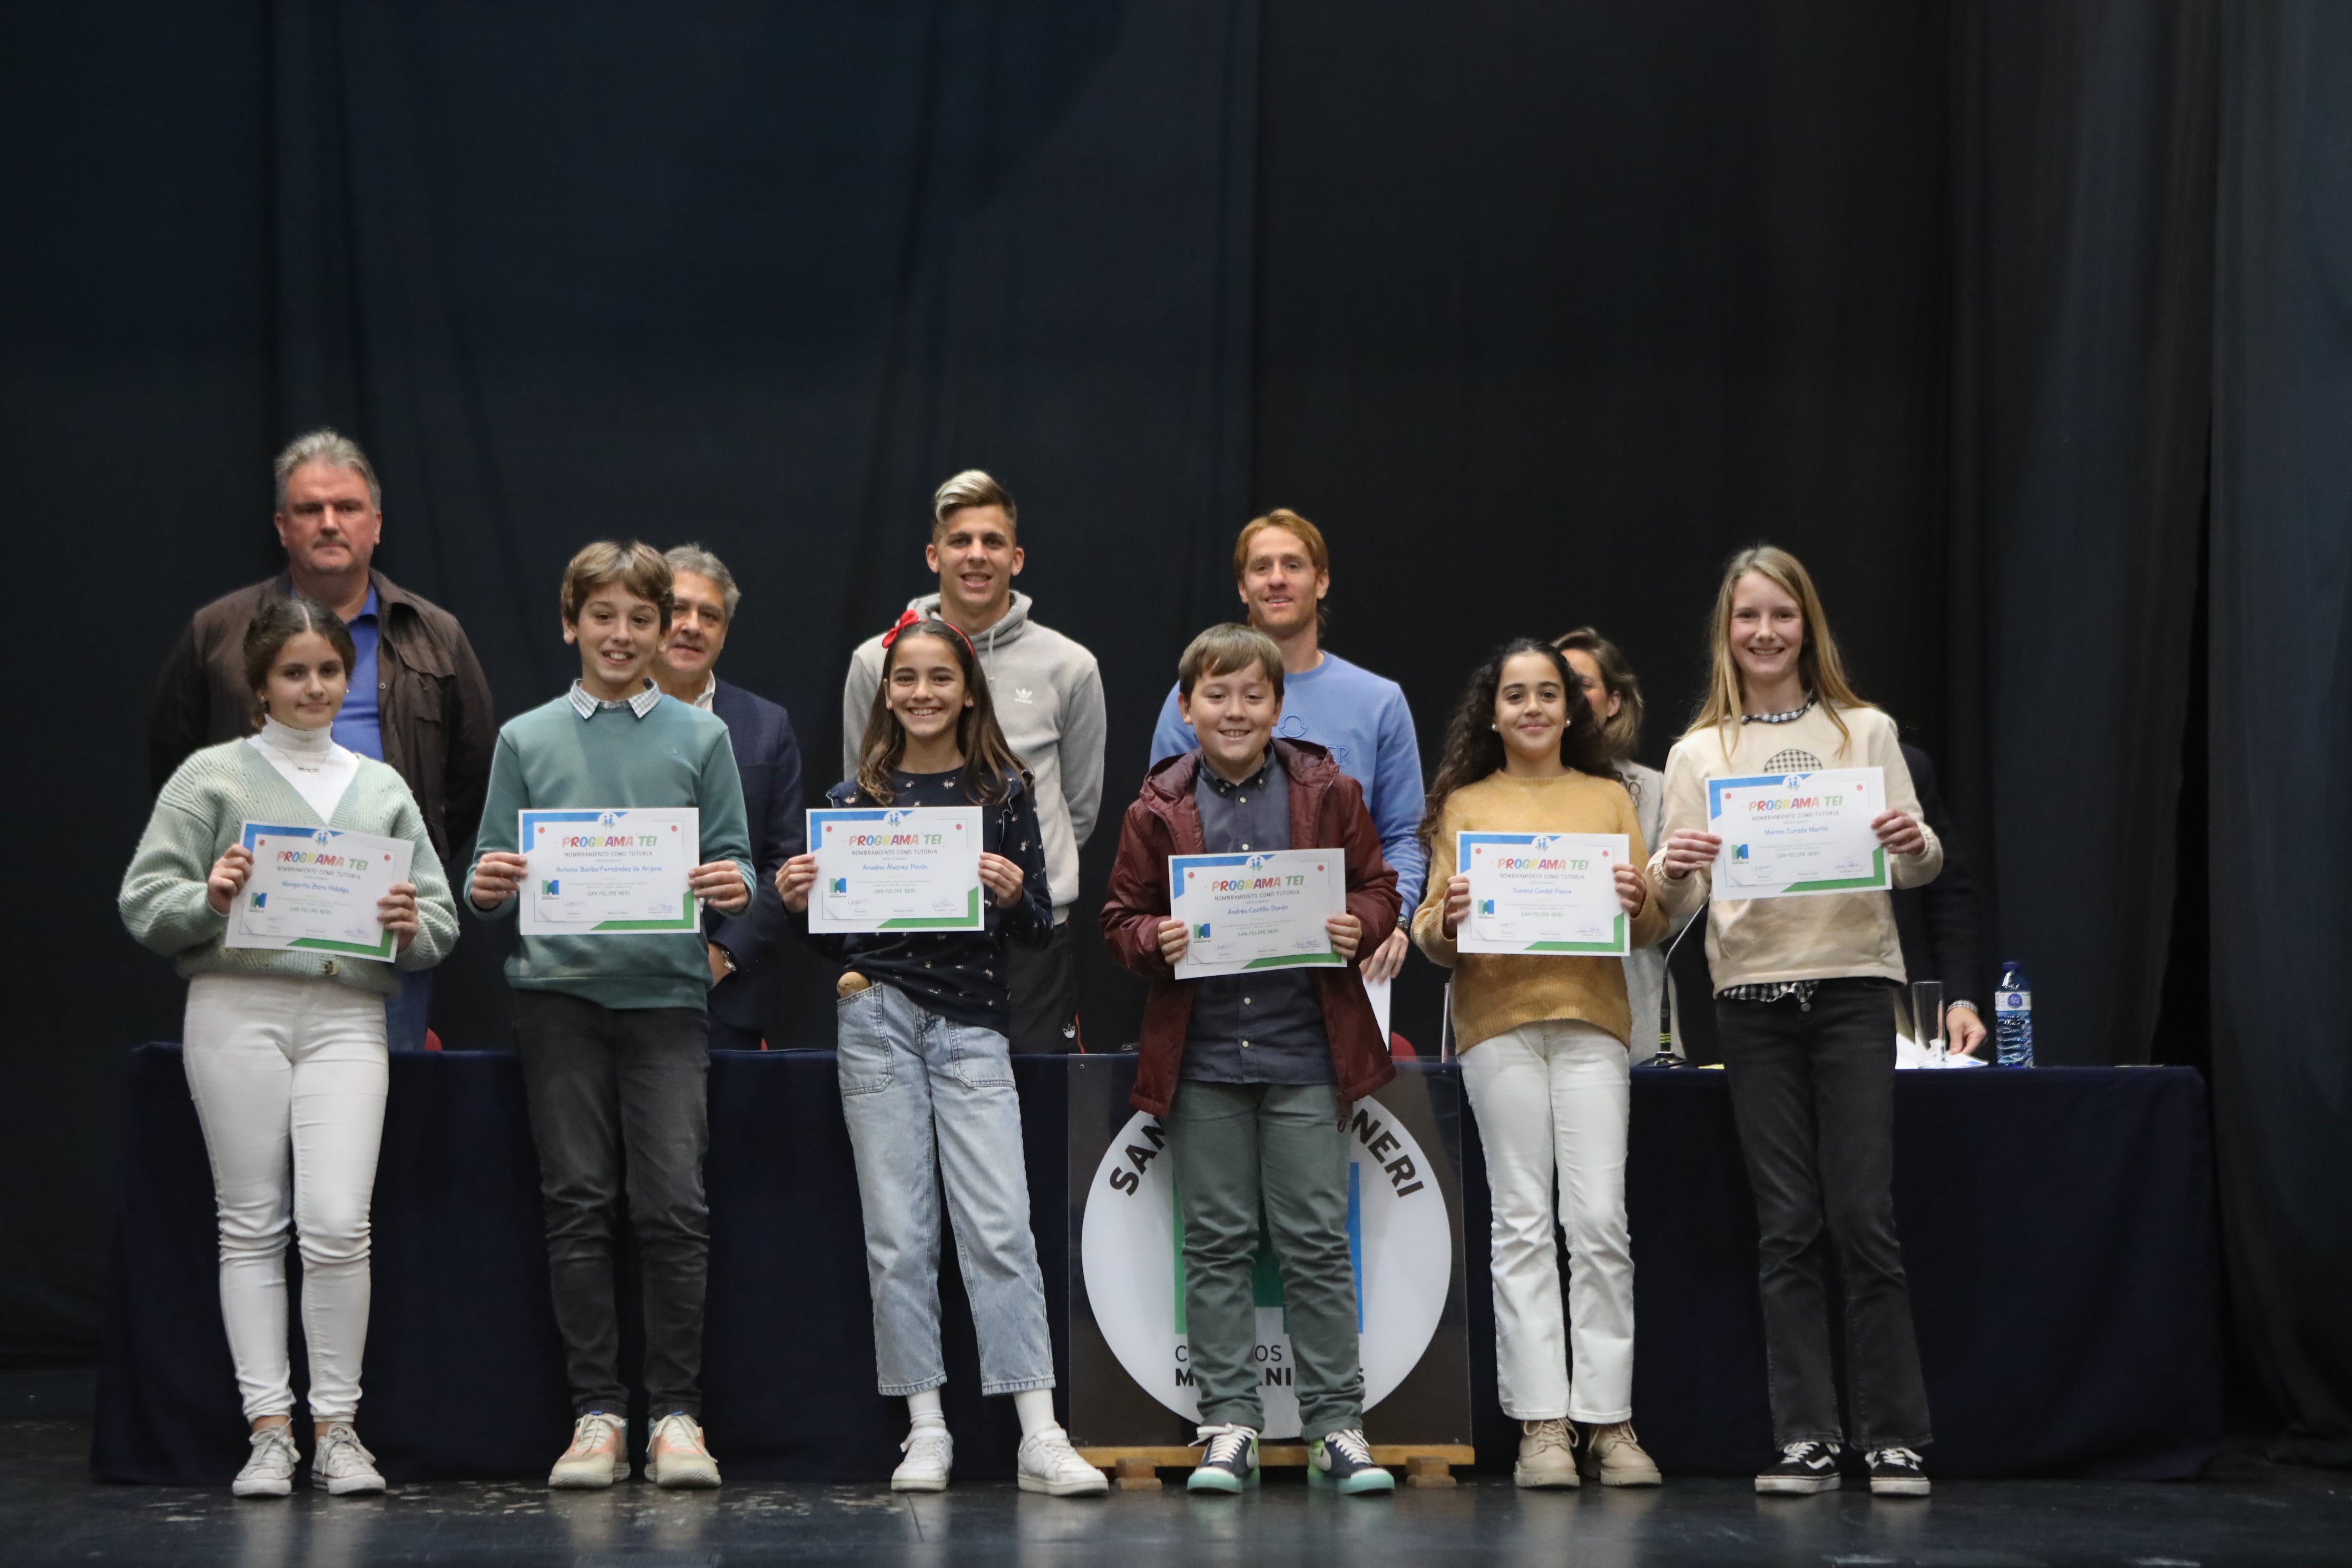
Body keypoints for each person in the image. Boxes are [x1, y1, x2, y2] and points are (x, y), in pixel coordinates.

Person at [119, 595, 457, 1498]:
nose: (313, 687)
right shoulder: (212, 778)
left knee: (340, 1222)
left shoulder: (380, 788)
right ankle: (270, 1428)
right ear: (258, 683)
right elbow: (145, 904)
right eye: (293, 673)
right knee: (251, 1222)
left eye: (328, 671)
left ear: (348, 675)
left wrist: (406, 922)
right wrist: (210, 898)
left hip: (346, 1016)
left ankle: (337, 1427)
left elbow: (440, 925)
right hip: (236, 1008)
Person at [779, 617, 1108, 1496]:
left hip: (970, 1026)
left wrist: (1009, 892)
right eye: (906, 679)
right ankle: (926, 1428)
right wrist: (799, 902)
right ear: (884, 693)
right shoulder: (851, 800)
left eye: (938, 678)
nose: (922, 693)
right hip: (875, 1019)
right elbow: (838, 942)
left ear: (968, 690)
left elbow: (1040, 922)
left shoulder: (1002, 791)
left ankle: (1037, 1429)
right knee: (897, 1235)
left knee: (998, 1224)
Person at [1650, 545, 1943, 1498]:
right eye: (1746, 618)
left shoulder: (1865, 732)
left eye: (1780, 615)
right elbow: (1671, 894)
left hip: (1854, 988)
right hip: (1750, 1001)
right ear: (1724, 634)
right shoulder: (1698, 753)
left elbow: (1918, 867)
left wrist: (1913, 841)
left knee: (1862, 1217)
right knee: (1785, 1225)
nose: (1764, 633)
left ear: (1805, 625)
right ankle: (1807, 1438)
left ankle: (1893, 1437)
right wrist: (1671, 862)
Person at [464, 542, 754, 1492]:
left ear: (663, 627)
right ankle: (597, 1414)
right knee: (578, 1206)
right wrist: (488, 882)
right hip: (558, 1004)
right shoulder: (526, 738)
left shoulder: (698, 738)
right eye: (603, 617)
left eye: (640, 617)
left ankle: (675, 1415)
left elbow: (737, 866)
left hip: (667, 1003)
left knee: (674, 1207)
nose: (622, 635)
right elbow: (485, 880)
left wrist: (729, 882)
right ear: (570, 624)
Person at [1104, 623, 1400, 1497]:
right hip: (1201, 1060)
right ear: (1186, 707)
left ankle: (1335, 1425)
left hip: (1307, 1050)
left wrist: (1364, 923)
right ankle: (1226, 1420)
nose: (1233, 711)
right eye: (1215, 695)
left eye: (1251, 696)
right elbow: (1117, 918)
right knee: (1218, 1243)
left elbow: (1377, 886)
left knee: (1312, 1240)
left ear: (1277, 706)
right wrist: (1149, 938)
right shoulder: (1151, 807)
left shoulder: (1328, 788)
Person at [1411, 639, 1669, 1489]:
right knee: (1520, 1223)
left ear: (1573, 709)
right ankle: (1541, 1425)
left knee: (1598, 1223)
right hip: (1495, 1025)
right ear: (1491, 711)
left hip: (1594, 1022)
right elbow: (1430, 940)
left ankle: (1610, 1421)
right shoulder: (1462, 804)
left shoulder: (1607, 798)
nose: (1530, 708)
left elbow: (1644, 926)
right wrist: (1445, 917)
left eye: (1546, 694)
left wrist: (1642, 902)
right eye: (1514, 695)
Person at [148, 429, 496, 1052]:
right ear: (283, 527)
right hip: (253, 927)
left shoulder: (434, 635)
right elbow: (178, 767)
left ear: (378, 524)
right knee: (256, 1125)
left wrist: (409, 857)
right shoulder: (218, 633)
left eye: (348, 508)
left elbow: (472, 773)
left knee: (382, 1120)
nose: (329, 524)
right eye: (310, 510)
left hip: (381, 922)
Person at [842, 472, 1104, 1053]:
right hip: (911, 931)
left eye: (992, 541)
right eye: (960, 541)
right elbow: (864, 793)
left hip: (1030, 935)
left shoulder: (1071, 665)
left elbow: (1078, 809)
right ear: (935, 555)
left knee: (1036, 1108)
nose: (976, 556)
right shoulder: (874, 661)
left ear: (1017, 557)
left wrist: (1024, 880)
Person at [1149, 511, 1426, 993]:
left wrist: (1390, 920)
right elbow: (1159, 837)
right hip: (1217, 963)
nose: (1277, 579)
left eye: (1293, 565)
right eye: (1262, 567)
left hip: (1345, 962)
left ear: (1321, 582)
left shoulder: (1379, 701)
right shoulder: (1195, 702)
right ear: (1242, 587)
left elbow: (1403, 833)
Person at [654, 544, 806, 1051]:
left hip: (726, 997)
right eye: (677, 609)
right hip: (610, 992)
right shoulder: (596, 719)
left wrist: (722, 956)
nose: (692, 625)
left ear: (724, 633)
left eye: (710, 615)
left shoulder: (767, 726)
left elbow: (782, 864)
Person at [1555, 628, 1695, 1061]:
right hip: (1532, 1008)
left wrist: (1640, 900)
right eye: (1554, 685)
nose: (1568, 695)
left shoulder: (1655, 790)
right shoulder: (1502, 791)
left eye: (1583, 684)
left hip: (1634, 1007)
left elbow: (1678, 911)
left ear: (1614, 702)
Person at [1893, 742, 1987, 1057]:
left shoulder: (1900, 764)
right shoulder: (1736, 757)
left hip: (1889, 1002)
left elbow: (1947, 893)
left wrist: (1960, 1001)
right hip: (1762, 1001)